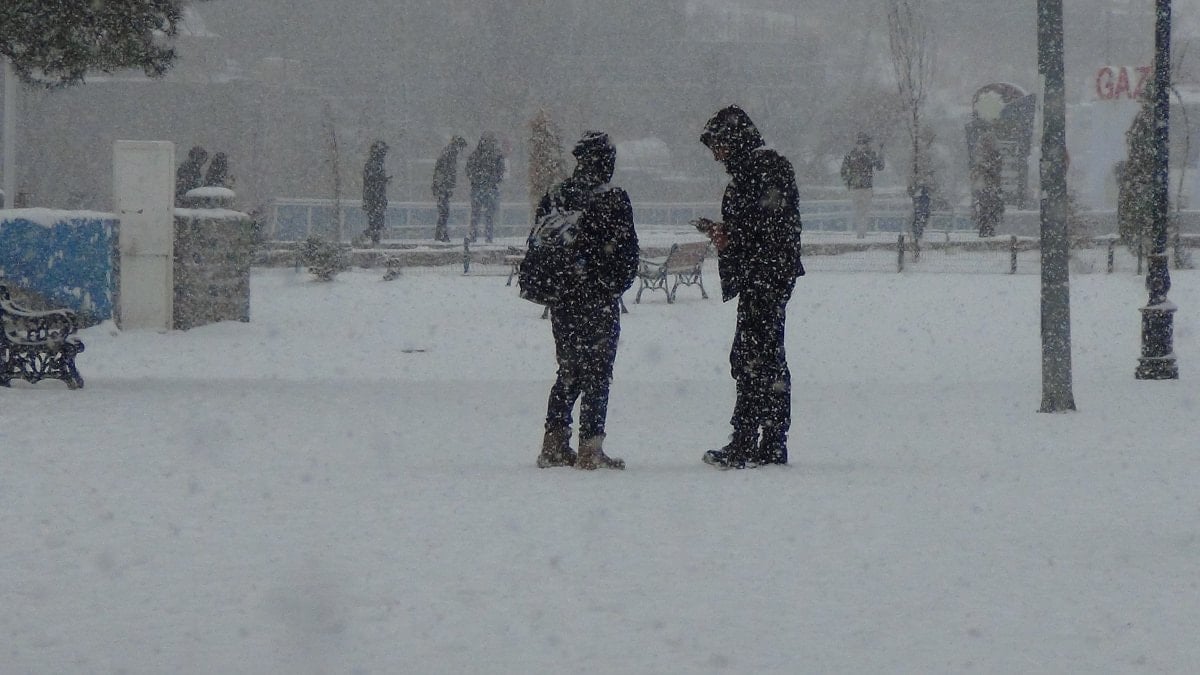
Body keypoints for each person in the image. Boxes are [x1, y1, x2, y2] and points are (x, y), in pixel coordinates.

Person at [696, 105, 805, 470]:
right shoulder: (763, 169)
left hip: (765, 276)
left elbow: (770, 226)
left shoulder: (761, 170)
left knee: (752, 359)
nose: (715, 155)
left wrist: (732, 237)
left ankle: (746, 441)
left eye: (719, 146)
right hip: (767, 274)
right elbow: (770, 225)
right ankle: (770, 441)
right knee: (764, 358)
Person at [535, 131, 639, 471]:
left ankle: (554, 442)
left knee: (568, 371)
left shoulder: (556, 196)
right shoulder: (613, 199)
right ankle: (590, 448)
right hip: (598, 299)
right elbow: (627, 254)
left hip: (563, 299)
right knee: (598, 373)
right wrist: (610, 286)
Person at [840, 132, 884, 238]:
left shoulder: (861, 154)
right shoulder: (855, 155)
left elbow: (880, 166)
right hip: (860, 188)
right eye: (862, 143)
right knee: (861, 211)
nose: (863, 145)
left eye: (864, 143)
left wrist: (849, 182)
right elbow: (844, 171)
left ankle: (861, 232)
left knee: (862, 211)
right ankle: (861, 232)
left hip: (862, 187)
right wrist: (849, 183)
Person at [465, 132, 505, 243]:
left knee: (476, 213)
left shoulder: (475, 155)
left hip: (478, 188)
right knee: (489, 214)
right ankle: (488, 237)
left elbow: (468, 170)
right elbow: (500, 172)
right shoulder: (497, 155)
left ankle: (474, 235)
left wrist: (476, 179)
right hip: (490, 188)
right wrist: (493, 180)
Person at [431, 136, 467, 242]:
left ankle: (441, 234)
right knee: (444, 211)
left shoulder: (448, 152)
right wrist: (445, 186)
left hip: (442, 186)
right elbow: (445, 172)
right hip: (443, 187)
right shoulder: (450, 154)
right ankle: (441, 234)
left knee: (443, 211)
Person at [359, 140, 391, 247]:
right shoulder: (374, 164)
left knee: (376, 221)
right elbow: (372, 182)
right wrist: (382, 180)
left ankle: (372, 240)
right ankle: (368, 238)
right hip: (375, 198)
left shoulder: (374, 164)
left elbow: (370, 182)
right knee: (376, 222)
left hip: (374, 198)